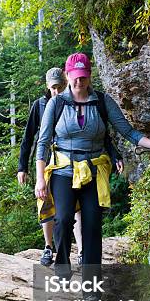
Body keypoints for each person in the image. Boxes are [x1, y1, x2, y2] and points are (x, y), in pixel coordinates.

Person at [35, 53, 150, 300]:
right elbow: (43, 142)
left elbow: (127, 131)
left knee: (92, 224)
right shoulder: (56, 104)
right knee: (64, 218)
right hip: (63, 170)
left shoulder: (102, 101)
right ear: (68, 76)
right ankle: (63, 267)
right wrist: (40, 179)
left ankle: (90, 285)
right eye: (75, 77)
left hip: (94, 169)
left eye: (84, 77)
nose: (79, 82)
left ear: (89, 76)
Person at [18, 66, 123, 267]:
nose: (56, 91)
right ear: (47, 87)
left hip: (80, 165)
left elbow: (100, 135)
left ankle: (83, 251)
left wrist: (114, 154)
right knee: (54, 210)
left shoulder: (79, 101)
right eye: (53, 88)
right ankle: (49, 247)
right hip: (51, 162)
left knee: (79, 213)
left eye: (59, 86)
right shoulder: (41, 105)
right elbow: (30, 138)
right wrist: (23, 167)